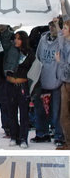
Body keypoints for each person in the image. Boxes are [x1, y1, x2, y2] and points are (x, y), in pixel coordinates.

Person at [30, 18, 64, 147]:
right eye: (50, 25)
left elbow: (64, 45)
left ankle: (59, 135)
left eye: (54, 26)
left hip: (56, 81)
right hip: (42, 79)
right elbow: (38, 57)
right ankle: (42, 133)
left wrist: (58, 25)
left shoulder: (63, 41)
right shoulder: (43, 38)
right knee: (39, 109)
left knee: (56, 112)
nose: (51, 28)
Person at [4, 30, 35, 148]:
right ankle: (14, 136)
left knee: (23, 114)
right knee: (11, 112)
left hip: (22, 86)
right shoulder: (11, 51)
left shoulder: (30, 53)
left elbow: (33, 71)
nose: (16, 41)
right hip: (10, 85)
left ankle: (23, 138)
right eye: (15, 38)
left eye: (19, 38)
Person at [55, 19, 70, 150]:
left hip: (68, 82)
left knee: (65, 116)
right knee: (64, 116)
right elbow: (60, 35)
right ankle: (68, 142)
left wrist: (59, 61)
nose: (62, 30)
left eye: (65, 28)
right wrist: (56, 23)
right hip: (65, 82)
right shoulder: (65, 42)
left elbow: (68, 67)